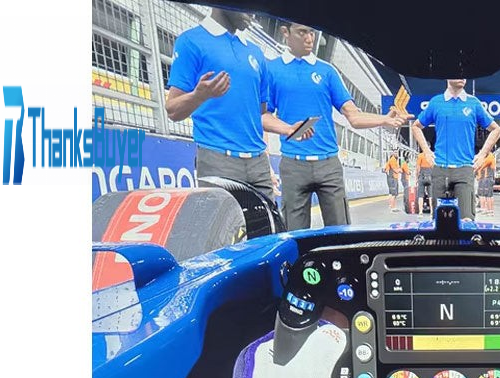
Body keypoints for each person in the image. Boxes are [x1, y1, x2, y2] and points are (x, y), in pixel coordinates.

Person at [264, 22, 407, 229]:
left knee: (340, 231)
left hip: (329, 165)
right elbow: (263, 116)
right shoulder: (271, 70)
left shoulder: (327, 71)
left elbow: (353, 117)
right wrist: (287, 129)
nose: (309, 38)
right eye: (302, 32)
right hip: (293, 165)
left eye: (312, 32)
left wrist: (385, 119)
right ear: (285, 32)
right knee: (294, 235)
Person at [166, 8, 307, 201]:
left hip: (258, 164)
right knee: (225, 222)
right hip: (217, 161)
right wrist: (199, 96)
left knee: (268, 221)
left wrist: (288, 129)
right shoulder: (190, 41)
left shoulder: (255, 53)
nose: (254, 12)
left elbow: (260, 115)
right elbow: (173, 110)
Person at [411, 79, 500, 222]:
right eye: (457, 73)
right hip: (440, 169)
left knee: (467, 219)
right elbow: (416, 126)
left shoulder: (473, 103)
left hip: (464, 170)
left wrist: (482, 154)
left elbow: (496, 129)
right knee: (438, 221)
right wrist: (426, 151)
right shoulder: (436, 102)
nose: (462, 77)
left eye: (464, 74)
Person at [475, 148, 497, 216]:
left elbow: (481, 165)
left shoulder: (490, 156)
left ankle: (490, 211)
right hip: (482, 178)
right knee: (482, 195)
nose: (480, 152)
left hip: (488, 178)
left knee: (488, 195)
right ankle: (483, 209)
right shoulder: (485, 157)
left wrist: (477, 160)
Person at [415, 148, 433, 213]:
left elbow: (418, 168)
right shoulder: (432, 156)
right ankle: (432, 211)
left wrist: (416, 178)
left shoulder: (420, 155)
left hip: (422, 176)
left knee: (420, 195)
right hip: (430, 177)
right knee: (431, 195)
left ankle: (420, 212)